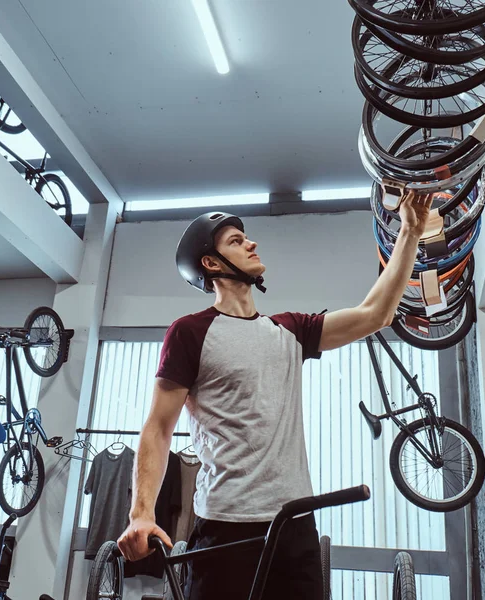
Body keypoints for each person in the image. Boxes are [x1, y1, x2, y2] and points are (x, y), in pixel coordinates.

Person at [118, 192, 433, 599]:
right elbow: (158, 429)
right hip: (225, 529)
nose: (251, 243)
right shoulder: (190, 332)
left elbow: (376, 314)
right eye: (235, 241)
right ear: (211, 264)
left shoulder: (290, 330)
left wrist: (410, 230)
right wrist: (141, 514)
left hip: (294, 526)